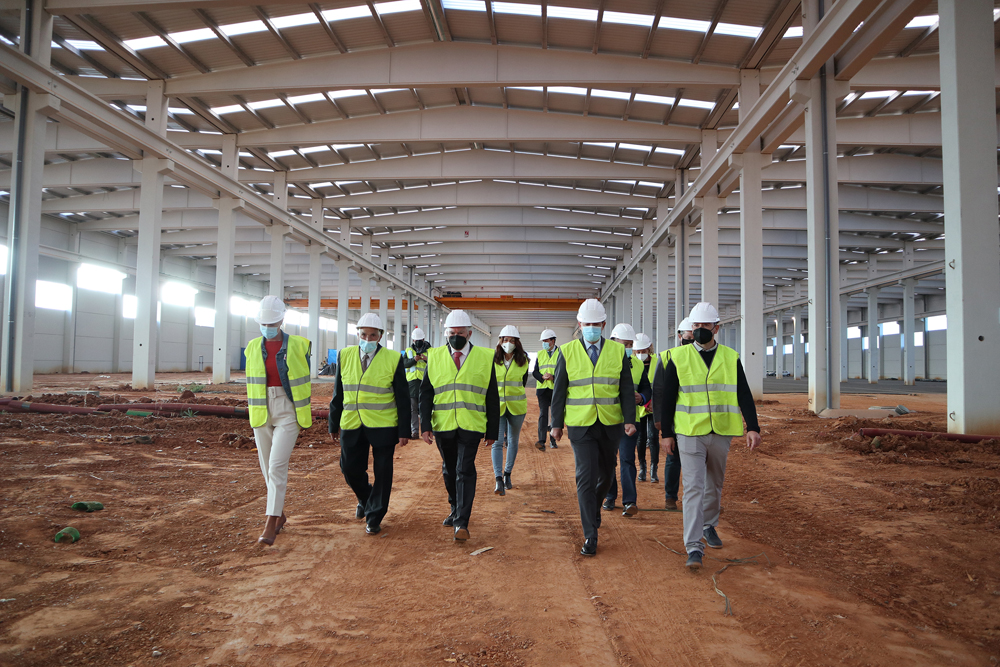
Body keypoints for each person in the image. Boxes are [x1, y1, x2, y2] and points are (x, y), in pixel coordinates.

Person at [656, 302, 762, 570]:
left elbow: (743, 394)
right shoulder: (677, 358)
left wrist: (753, 426)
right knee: (693, 487)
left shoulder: (730, 357)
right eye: (696, 326)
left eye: (705, 326)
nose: (700, 330)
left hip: (722, 431)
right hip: (689, 432)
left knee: (714, 484)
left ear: (717, 327)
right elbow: (667, 399)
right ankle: (693, 546)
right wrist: (666, 433)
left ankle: (709, 525)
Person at [550, 299, 636, 557]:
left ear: (603, 324)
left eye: (596, 324)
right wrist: (555, 424)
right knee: (585, 477)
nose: (591, 328)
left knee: (607, 474)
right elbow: (559, 390)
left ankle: (594, 508)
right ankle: (590, 534)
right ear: (579, 325)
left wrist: (630, 419)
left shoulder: (617, 352)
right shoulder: (567, 351)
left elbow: (626, 389)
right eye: (587, 324)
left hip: (610, 424)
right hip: (580, 425)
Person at [420, 310, 500, 542]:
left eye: (460, 333)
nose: (456, 337)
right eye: (452, 333)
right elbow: (426, 393)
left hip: (471, 425)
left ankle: (461, 522)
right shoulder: (434, 356)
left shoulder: (485, 357)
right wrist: (425, 425)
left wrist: (492, 430)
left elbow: (492, 397)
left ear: (469, 333)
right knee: (449, 469)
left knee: (465, 469)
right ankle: (455, 507)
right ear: (446, 334)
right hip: (443, 425)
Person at [328, 313, 411, 535]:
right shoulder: (344, 355)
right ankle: (366, 497)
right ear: (358, 334)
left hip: (383, 425)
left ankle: (374, 517)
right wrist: (333, 423)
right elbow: (338, 393)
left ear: (380, 336)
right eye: (363, 334)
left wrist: (405, 430)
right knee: (349, 468)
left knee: (383, 472)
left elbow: (403, 398)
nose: (367, 338)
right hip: (351, 423)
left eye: (372, 335)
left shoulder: (393, 359)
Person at [245, 295, 312, 546]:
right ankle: (280, 513)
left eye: (272, 322)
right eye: (264, 323)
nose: (268, 327)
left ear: (282, 320)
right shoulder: (252, 347)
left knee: (275, 465)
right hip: (261, 408)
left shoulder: (299, 345)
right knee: (266, 467)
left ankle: (270, 521)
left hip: (288, 409)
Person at [600, 323, 651, 517]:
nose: (628, 348)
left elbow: (646, 388)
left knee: (628, 460)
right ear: (614, 343)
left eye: (630, 344)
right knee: (608, 461)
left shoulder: (637, 364)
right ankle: (610, 496)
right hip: (608, 419)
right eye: (625, 344)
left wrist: (643, 398)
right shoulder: (604, 363)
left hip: (631, 420)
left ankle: (630, 501)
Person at [652, 318, 694, 511]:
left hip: (698, 419)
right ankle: (671, 497)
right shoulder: (668, 356)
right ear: (680, 336)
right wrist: (660, 419)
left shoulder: (704, 356)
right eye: (689, 335)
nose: (693, 339)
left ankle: (697, 499)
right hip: (675, 418)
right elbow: (658, 390)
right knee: (673, 458)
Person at [492, 325, 529, 495]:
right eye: (505, 340)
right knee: (497, 442)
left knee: (513, 441)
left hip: (516, 407)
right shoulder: (492, 359)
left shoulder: (524, 360)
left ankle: (508, 474)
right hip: (497, 407)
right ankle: (498, 479)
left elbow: (523, 381)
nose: (508, 343)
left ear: (517, 342)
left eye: (512, 340)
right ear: (500, 341)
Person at [633, 333, 657, 483]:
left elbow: (660, 385)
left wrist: (653, 401)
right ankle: (642, 467)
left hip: (654, 405)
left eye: (644, 350)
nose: (641, 354)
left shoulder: (658, 362)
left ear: (649, 349)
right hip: (640, 406)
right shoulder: (633, 363)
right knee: (641, 438)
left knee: (653, 437)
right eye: (638, 351)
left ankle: (654, 469)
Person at [532, 329, 560, 450]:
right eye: (543, 341)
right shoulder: (540, 354)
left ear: (553, 341)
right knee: (543, 414)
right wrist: (542, 377)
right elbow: (535, 372)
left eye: (546, 340)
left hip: (555, 389)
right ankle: (541, 440)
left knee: (555, 414)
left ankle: (553, 441)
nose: (544, 343)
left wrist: (553, 377)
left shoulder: (561, 353)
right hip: (543, 389)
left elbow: (564, 372)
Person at [401, 328, 429, 438]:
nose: (418, 341)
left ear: (423, 339)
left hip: (425, 383)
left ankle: (427, 430)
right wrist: (414, 360)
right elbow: (403, 363)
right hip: (412, 384)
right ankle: (415, 431)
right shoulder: (408, 351)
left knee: (425, 408)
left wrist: (427, 359)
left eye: (420, 339)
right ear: (413, 340)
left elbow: (437, 363)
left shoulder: (430, 350)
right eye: (416, 340)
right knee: (413, 409)